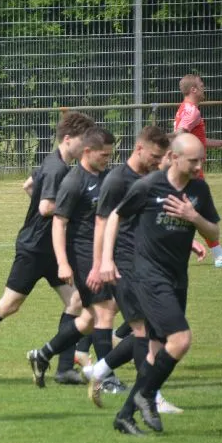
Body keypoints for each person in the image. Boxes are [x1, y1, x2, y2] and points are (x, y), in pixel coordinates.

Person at [0, 112, 95, 386]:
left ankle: (64, 369)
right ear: (68, 139)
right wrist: (77, 209)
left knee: (76, 301)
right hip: (34, 249)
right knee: (9, 305)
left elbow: (28, 185)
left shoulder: (54, 162)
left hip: (51, 249)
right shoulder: (58, 169)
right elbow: (46, 206)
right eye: (83, 141)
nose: (87, 147)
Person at [100, 133, 220, 435]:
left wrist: (193, 217)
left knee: (155, 353)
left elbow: (214, 231)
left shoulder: (199, 190)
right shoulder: (149, 185)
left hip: (178, 278)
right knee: (180, 340)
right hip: (148, 277)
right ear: (174, 157)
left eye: (201, 160)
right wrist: (106, 260)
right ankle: (146, 395)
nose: (198, 166)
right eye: (193, 161)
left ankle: (124, 416)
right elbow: (115, 217)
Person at [81, 126, 184, 414]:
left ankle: (99, 369)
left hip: (147, 264)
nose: (158, 161)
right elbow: (101, 223)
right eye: (154, 156)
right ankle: (151, 396)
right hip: (123, 264)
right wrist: (101, 263)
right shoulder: (117, 180)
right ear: (139, 149)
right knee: (143, 331)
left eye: (162, 157)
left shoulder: (151, 179)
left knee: (151, 330)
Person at [26, 126, 122, 389]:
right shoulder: (73, 181)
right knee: (104, 311)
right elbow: (59, 223)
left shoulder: (107, 177)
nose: (108, 159)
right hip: (82, 254)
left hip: (102, 251)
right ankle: (105, 378)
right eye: (103, 155)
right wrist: (63, 263)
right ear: (87, 151)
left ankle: (42, 355)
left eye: (110, 155)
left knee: (89, 318)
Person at [174, 74, 222, 268]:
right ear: (194, 89)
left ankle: (218, 255)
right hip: (191, 171)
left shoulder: (186, 109)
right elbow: (180, 134)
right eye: (201, 85)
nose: (204, 88)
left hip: (190, 169)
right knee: (200, 213)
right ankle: (219, 256)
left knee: (196, 212)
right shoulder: (192, 111)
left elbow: (198, 140)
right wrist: (186, 160)